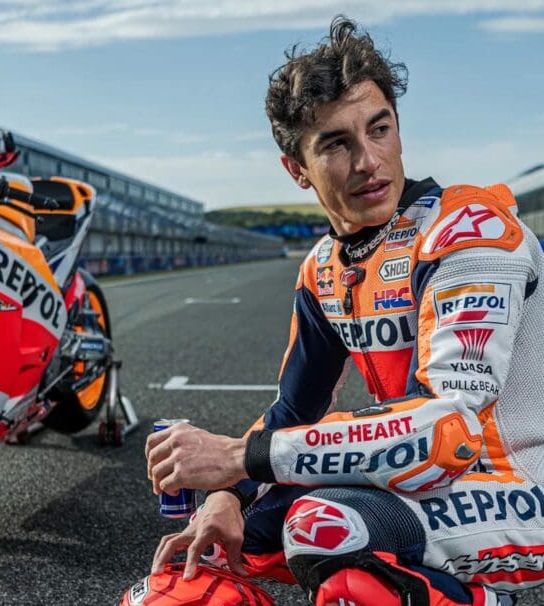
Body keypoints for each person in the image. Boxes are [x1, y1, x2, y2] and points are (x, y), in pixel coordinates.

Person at [144, 14, 544, 606]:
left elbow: (444, 433)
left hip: (519, 482)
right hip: (421, 481)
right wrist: (229, 495)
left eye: (379, 129)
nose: (368, 160)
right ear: (297, 169)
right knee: (218, 550)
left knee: (322, 527)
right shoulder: (323, 268)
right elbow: (294, 409)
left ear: (399, 131)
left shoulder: (471, 231)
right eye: (337, 143)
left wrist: (235, 458)